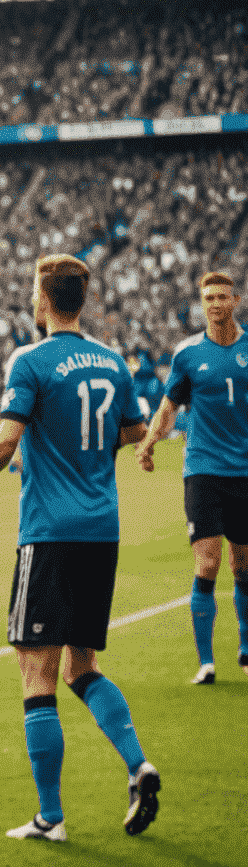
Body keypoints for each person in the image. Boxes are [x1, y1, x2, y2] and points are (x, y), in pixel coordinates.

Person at [0, 255, 160, 840]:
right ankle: (138, 762)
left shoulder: (32, 360)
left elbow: (6, 436)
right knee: (83, 666)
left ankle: (50, 816)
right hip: (102, 530)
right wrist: (86, 452)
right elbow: (135, 430)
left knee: (36, 673)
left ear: (42, 300)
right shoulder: (111, 360)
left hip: (49, 533)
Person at [136, 271, 248, 685]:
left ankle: (245, 647)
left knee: (243, 566)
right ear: (201, 303)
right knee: (208, 561)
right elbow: (168, 409)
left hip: (244, 472)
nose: (215, 304)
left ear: (236, 300)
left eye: (222, 296)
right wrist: (148, 444)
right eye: (208, 298)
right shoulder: (187, 355)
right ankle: (206, 662)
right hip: (202, 470)